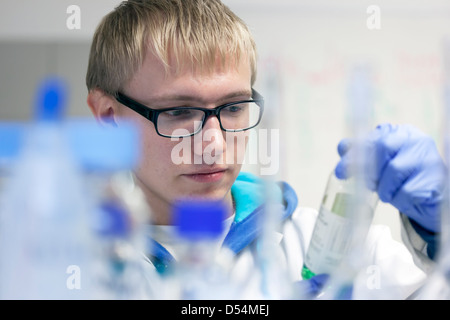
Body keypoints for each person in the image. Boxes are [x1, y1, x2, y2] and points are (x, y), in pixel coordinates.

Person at [86, 0, 445, 299]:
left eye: (233, 107)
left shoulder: (332, 249)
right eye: (179, 111)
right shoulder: (68, 264)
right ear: (108, 117)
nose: (214, 144)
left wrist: (439, 232)